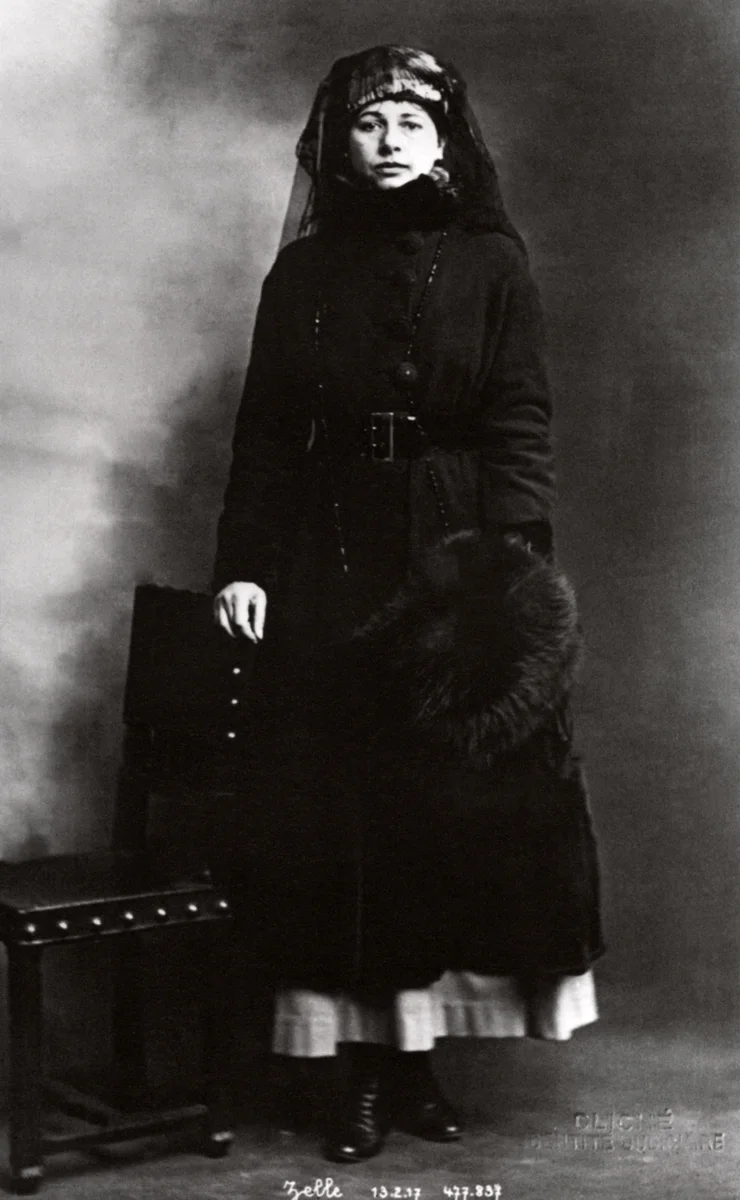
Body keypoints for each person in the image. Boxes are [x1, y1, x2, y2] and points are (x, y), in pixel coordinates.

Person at [212, 45, 604, 1163]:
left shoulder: (490, 264)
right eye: (368, 124)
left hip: (454, 554)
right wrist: (244, 565)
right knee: (340, 814)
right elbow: (264, 435)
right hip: (325, 557)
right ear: (337, 143)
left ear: (445, 143)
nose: (387, 143)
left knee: (443, 814)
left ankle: (414, 1063)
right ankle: (351, 1078)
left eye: (409, 125)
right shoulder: (301, 275)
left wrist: (509, 578)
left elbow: (519, 421)